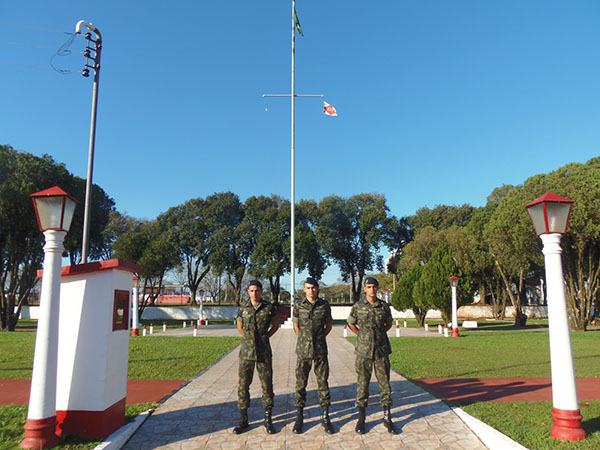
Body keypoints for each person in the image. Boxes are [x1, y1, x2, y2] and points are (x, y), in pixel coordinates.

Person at [347, 276, 398, 435]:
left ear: (377, 288)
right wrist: (361, 335)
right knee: (362, 384)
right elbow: (351, 323)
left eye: (374, 287)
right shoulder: (358, 306)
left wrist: (379, 335)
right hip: (363, 351)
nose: (372, 289)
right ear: (364, 289)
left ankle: (387, 417)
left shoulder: (383, 306)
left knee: (384, 384)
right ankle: (361, 418)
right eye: (369, 287)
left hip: (381, 350)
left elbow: (388, 324)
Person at [233, 280, 280, 434]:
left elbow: (276, 326)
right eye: (252, 291)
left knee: (267, 386)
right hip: (246, 353)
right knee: (243, 386)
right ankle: (243, 419)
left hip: (263, 353)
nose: (254, 293)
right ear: (248, 291)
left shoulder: (268, 308)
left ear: (261, 291)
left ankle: (268, 419)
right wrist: (249, 339)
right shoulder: (243, 308)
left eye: (257, 290)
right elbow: (240, 327)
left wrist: (264, 338)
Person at [292, 277, 334, 434]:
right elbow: (296, 325)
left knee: (323, 383)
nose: (311, 290)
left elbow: (328, 326)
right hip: (303, 351)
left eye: (314, 288)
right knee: (300, 384)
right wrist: (304, 340)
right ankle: (299, 417)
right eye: (308, 288)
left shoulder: (324, 305)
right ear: (304, 290)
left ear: (318, 289)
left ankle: (325, 417)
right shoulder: (298, 305)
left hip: (320, 351)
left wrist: (319, 339)